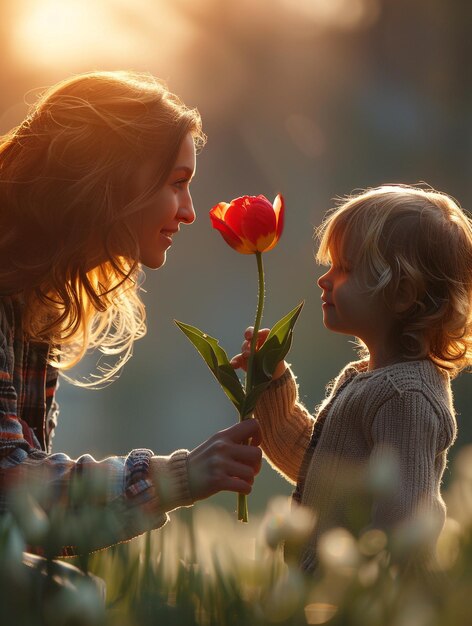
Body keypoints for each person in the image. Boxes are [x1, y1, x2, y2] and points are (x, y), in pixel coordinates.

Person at [0, 70, 262, 556]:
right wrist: (175, 477)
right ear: (112, 177)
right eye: (177, 183)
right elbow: (10, 483)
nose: (189, 211)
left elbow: (34, 525)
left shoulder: (34, 299)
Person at [232, 184, 472, 575]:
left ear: (402, 293)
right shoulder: (373, 381)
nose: (324, 280)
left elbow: (402, 529)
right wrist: (272, 382)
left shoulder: (406, 397)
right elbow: (313, 467)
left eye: (344, 268)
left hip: (353, 601)